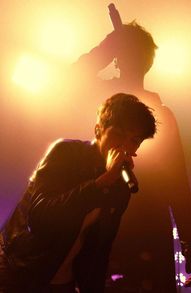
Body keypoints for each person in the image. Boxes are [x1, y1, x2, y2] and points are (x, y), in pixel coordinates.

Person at [72, 21, 191, 292]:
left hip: (137, 227)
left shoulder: (159, 115)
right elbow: (178, 184)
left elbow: (177, 183)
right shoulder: (104, 103)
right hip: (109, 224)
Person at [0, 93, 156, 293]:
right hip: (19, 272)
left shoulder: (120, 187)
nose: (124, 147)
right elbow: (39, 217)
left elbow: (99, 251)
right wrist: (101, 183)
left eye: (134, 141)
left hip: (62, 282)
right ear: (98, 130)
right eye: (118, 134)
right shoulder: (66, 153)